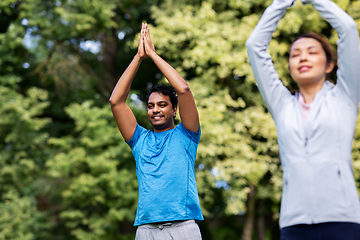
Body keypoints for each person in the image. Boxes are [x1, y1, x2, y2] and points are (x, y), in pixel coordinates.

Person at [246, 0, 360, 239]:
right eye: (295, 54)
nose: (302, 58)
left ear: (330, 64)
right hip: (294, 222)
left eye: (312, 52)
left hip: (343, 220)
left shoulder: (345, 97)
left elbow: (348, 29)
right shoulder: (282, 105)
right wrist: (280, 4)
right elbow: (255, 45)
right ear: (290, 65)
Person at [109, 23, 203, 240]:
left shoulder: (187, 135)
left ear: (174, 109)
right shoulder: (139, 140)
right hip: (147, 230)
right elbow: (116, 101)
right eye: (151, 106)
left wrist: (152, 54)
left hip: (183, 228)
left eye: (162, 104)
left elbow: (184, 90)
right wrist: (138, 58)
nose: (155, 110)